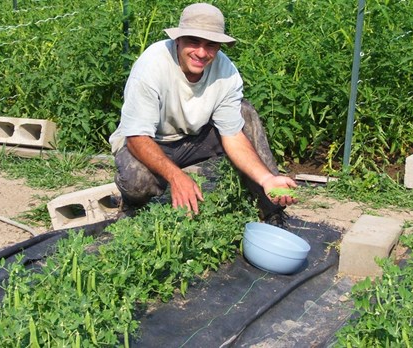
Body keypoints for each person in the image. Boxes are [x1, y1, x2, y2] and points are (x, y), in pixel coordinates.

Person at [108, 3, 297, 226]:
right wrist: (177, 176)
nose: (201, 52)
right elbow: (137, 138)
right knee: (137, 182)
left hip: (194, 140)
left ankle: (270, 210)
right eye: (193, 41)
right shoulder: (152, 66)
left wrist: (266, 178)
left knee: (244, 112)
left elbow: (233, 135)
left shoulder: (226, 72)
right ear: (178, 39)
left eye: (210, 45)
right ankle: (132, 206)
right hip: (149, 142)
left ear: (219, 47)